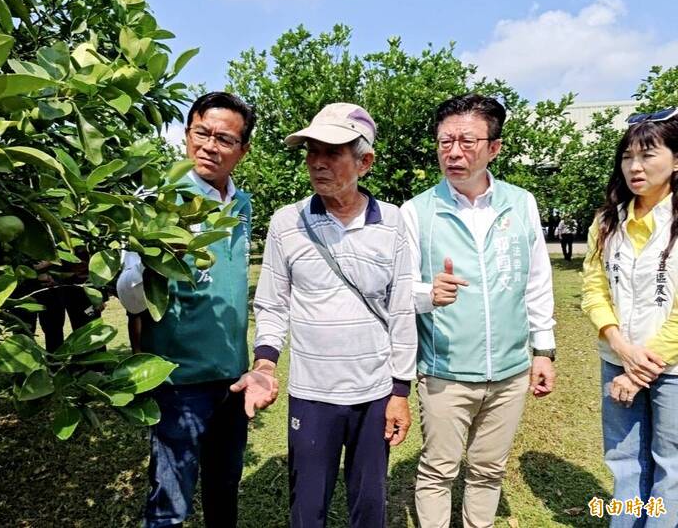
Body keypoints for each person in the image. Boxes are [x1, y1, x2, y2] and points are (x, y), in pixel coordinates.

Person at [231, 103, 417, 528]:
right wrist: (264, 364)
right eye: (311, 150)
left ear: (364, 162)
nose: (317, 162)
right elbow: (273, 303)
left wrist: (401, 391)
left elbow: (402, 308)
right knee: (307, 506)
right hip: (312, 395)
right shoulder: (287, 222)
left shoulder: (392, 222)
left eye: (332, 152)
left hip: (374, 392)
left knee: (369, 505)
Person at [400, 93, 556, 528]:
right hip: (446, 372)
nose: (454, 152)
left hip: (509, 371)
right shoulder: (417, 212)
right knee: (438, 470)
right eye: (445, 141)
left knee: (489, 469)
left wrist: (543, 350)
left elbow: (537, 281)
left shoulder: (521, 203)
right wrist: (431, 294)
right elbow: (401, 291)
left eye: (467, 141)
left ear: (494, 148)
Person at [116, 92, 255, 528]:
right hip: (179, 380)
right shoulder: (158, 199)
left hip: (233, 376)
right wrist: (153, 256)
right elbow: (130, 296)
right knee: (170, 502)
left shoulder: (241, 204)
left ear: (242, 150)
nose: (211, 146)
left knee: (224, 488)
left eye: (225, 139)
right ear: (186, 135)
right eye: (202, 133)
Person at [581, 106, 678, 527]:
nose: (634, 167)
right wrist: (619, 346)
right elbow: (593, 288)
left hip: (671, 369)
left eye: (648, 155)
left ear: (676, 160)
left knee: (669, 467)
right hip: (615, 360)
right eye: (627, 156)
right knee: (622, 460)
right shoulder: (607, 221)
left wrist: (639, 370)